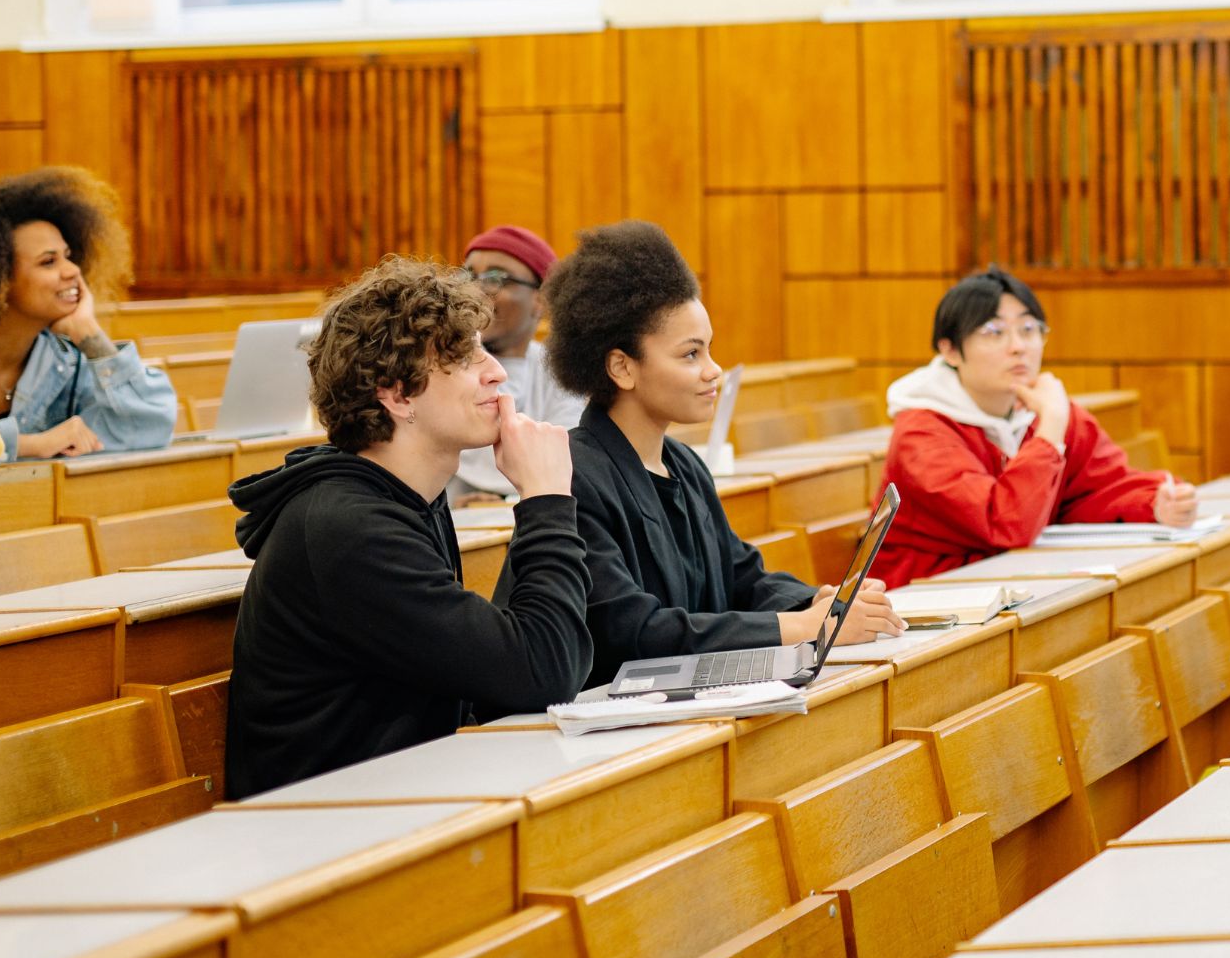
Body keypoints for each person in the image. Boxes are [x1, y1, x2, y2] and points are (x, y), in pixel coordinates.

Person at [225, 255, 591, 799]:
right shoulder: (348, 529)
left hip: (398, 795)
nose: (496, 372)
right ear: (397, 395)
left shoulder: (409, 497)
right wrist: (545, 499)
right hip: (322, 827)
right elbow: (546, 670)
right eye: (464, 358)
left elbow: (506, 673)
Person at [505, 219, 902, 688]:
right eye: (690, 354)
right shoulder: (570, 475)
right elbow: (633, 631)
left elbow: (743, 578)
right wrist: (801, 627)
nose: (713, 370)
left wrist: (820, 603)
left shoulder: (684, 465)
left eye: (709, 350)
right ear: (622, 368)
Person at [872, 266, 1197, 586]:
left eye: (1029, 329)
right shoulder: (922, 433)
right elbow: (1005, 524)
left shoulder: (1045, 412)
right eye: (994, 332)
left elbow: (1093, 492)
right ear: (951, 351)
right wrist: (1050, 429)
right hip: (928, 595)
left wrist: (1154, 502)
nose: (1018, 346)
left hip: (1006, 582)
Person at [0, 166, 176, 462]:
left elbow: (150, 425)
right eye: (48, 262)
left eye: (68, 257)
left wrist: (89, 333)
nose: (72, 271)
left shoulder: (66, 361)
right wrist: (29, 444)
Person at [448, 225, 585, 505]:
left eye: (496, 278)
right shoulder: (438, 366)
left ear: (541, 299)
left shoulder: (561, 371)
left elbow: (569, 454)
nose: (475, 291)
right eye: (469, 276)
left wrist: (511, 500)